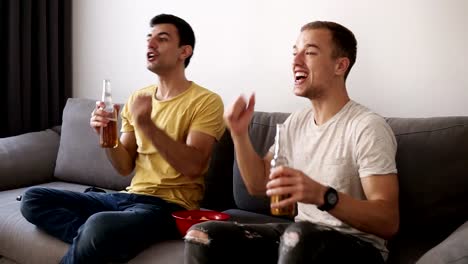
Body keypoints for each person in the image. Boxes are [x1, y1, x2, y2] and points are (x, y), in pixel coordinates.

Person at [184, 21, 399, 264]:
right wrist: (239, 134)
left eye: (309, 52)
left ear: (340, 65)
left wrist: (322, 195)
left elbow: (387, 220)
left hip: (358, 248)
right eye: (294, 51)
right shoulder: (295, 123)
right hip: (301, 238)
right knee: (202, 235)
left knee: (298, 236)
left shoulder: (367, 126)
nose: (296, 61)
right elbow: (258, 185)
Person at [20, 14, 225, 264]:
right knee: (34, 199)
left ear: (184, 51)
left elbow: (194, 166)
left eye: (162, 39)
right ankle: (101, 240)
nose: (150, 44)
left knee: (100, 225)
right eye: (148, 38)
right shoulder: (139, 98)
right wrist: (107, 138)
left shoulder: (206, 101)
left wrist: (147, 125)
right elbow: (124, 166)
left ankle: (101, 237)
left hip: (168, 208)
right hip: (125, 198)